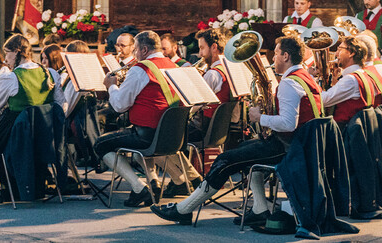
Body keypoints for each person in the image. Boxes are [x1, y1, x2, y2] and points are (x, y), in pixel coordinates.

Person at [152, 36, 323, 225]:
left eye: (275, 53)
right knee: (245, 149)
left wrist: (260, 117)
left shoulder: (289, 83)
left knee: (225, 159)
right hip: (298, 144)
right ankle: (260, 209)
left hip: (289, 147)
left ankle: (184, 209)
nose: (273, 58)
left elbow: (289, 123)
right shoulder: (304, 76)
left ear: (285, 56)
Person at [0, 34, 64, 202]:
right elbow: (59, 105)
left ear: (16, 52)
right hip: (45, 132)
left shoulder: (10, 77)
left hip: (17, 130)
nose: (5, 58)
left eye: (7, 53)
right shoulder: (50, 73)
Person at [96, 31, 182, 207]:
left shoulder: (140, 70)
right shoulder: (175, 66)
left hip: (148, 136)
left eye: (135, 50)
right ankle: (153, 184)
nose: (134, 54)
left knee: (100, 144)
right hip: (173, 135)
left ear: (143, 49)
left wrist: (111, 87)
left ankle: (138, 188)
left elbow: (120, 106)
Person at [160, 27, 233, 197]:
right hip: (216, 129)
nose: (199, 54)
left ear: (214, 47)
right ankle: (182, 179)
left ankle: (183, 180)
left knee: (162, 138)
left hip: (203, 129)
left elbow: (193, 106)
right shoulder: (226, 69)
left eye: (202, 48)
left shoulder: (212, 75)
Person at [320, 36, 378, 125]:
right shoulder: (363, 74)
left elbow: (324, 100)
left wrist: (312, 77)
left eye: (339, 50)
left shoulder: (351, 79)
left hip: (345, 132)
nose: (336, 54)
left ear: (351, 53)